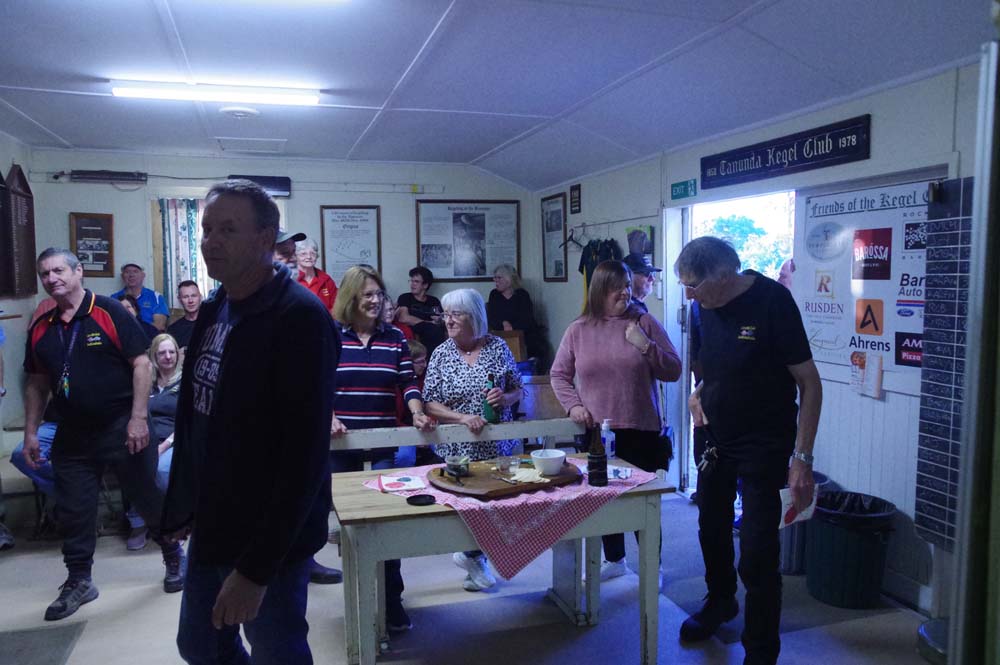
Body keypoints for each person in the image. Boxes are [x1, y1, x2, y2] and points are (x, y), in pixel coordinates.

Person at [162, 180, 339, 665]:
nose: (210, 241)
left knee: (277, 652)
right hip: (214, 518)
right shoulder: (216, 305)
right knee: (199, 644)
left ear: (265, 239)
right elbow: (198, 414)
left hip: (268, 533)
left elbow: (304, 457)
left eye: (228, 230)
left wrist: (256, 570)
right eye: (207, 229)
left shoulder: (300, 318)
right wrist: (184, 502)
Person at [675, 236, 821, 665]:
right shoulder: (704, 306)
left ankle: (761, 649)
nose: (689, 295)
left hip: (764, 442)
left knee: (757, 551)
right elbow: (714, 365)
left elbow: (810, 384)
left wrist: (802, 459)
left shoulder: (773, 303)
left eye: (694, 286)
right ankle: (721, 601)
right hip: (715, 437)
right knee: (711, 528)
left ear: (724, 275)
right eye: (685, 286)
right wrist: (698, 394)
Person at [23, 248, 185, 621]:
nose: (52, 279)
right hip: (73, 434)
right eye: (45, 274)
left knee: (146, 497)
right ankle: (79, 579)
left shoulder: (108, 312)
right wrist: (31, 431)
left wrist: (138, 418)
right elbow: (36, 382)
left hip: (122, 427)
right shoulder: (42, 326)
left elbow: (141, 364)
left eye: (59, 270)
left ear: (78, 271)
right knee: (75, 508)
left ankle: (173, 554)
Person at [550, 259, 681, 583]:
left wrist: (646, 346)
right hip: (598, 431)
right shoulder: (579, 329)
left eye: (626, 285)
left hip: (641, 429)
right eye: (616, 288)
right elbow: (559, 374)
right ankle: (615, 559)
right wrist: (573, 406)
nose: (625, 292)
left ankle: (652, 566)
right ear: (600, 291)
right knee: (603, 501)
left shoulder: (643, 322)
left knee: (643, 503)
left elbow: (674, 369)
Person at [329, 265, 434, 632]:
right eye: (367, 295)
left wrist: (417, 412)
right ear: (351, 298)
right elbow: (316, 384)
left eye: (379, 294)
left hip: (383, 443)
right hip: (341, 445)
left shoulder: (395, 338)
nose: (375, 301)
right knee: (352, 526)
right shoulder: (332, 336)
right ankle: (358, 598)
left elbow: (408, 382)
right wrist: (328, 416)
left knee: (387, 523)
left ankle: (392, 600)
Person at [423, 288, 523, 592]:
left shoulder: (498, 347)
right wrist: (462, 418)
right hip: (458, 448)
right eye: (445, 314)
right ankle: (474, 557)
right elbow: (430, 403)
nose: (448, 320)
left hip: (495, 445)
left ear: (474, 317)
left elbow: (518, 389)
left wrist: (504, 398)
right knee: (466, 506)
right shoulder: (441, 353)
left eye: (456, 314)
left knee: (494, 505)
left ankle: (472, 559)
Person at [122, 333, 184, 551]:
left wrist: (164, 445)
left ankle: (168, 522)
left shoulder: (186, 382)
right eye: (162, 353)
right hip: (145, 439)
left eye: (171, 352)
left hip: (175, 440)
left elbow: (188, 421)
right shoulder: (146, 382)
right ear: (154, 357)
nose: (167, 357)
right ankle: (140, 523)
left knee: (159, 470)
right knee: (132, 467)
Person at [486, 264, 546, 364]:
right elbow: (492, 317)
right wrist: (503, 323)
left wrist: (512, 327)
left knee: (534, 344)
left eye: (499, 278)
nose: (495, 280)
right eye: (495, 277)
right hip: (500, 334)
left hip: (523, 334)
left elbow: (527, 318)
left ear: (509, 280)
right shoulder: (494, 295)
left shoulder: (522, 295)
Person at [396, 266, 446, 353]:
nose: (412, 284)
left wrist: (439, 320)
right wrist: (428, 322)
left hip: (433, 333)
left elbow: (441, 318)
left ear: (425, 285)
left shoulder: (433, 300)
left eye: (416, 281)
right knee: (432, 330)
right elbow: (403, 318)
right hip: (416, 331)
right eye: (411, 281)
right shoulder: (405, 297)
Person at [111, 263, 169, 331]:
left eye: (135, 271)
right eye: (127, 272)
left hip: (149, 335)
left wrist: (137, 334)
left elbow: (159, 325)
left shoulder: (156, 297)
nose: (131, 275)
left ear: (143, 275)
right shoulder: (113, 298)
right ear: (122, 276)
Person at [295, 238, 338, 314]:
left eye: (312, 253)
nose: (309, 257)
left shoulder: (326, 279)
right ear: (295, 256)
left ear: (317, 255)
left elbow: (337, 308)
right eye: (303, 254)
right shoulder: (290, 279)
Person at [167, 280, 203, 350]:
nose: (190, 301)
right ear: (179, 300)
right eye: (185, 297)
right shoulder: (173, 330)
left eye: (194, 296)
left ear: (200, 297)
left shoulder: (212, 323)